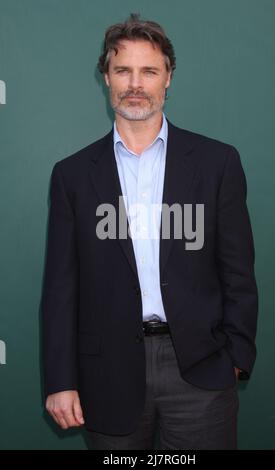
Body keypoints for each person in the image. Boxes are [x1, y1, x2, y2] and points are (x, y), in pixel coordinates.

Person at [41, 13, 258, 450]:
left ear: (168, 78)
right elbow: (61, 288)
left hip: (200, 369)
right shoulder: (73, 175)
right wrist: (61, 380)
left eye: (149, 71)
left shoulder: (218, 164)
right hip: (107, 374)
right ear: (106, 77)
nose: (135, 83)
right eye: (123, 70)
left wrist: (235, 357)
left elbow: (238, 272)